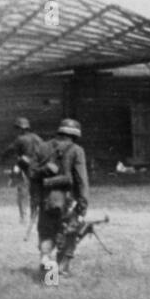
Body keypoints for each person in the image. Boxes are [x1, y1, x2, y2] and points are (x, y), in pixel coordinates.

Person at [34, 118, 89, 280]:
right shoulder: (76, 150)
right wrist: (83, 204)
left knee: (46, 234)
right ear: (75, 135)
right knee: (68, 234)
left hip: (46, 201)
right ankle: (61, 271)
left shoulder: (43, 147)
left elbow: (32, 174)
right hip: (67, 202)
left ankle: (49, 274)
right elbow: (82, 180)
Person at [0, 117, 44, 231]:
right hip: (38, 169)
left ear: (20, 129)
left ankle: (23, 218)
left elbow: (9, 150)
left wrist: (2, 158)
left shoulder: (20, 139)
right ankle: (33, 217)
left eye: (18, 128)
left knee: (22, 193)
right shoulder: (38, 138)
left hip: (26, 168)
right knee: (35, 194)